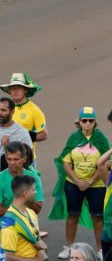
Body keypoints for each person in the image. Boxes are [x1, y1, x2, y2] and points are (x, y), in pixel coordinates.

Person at [52, 107, 108, 259]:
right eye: (85, 120)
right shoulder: (74, 138)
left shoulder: (101, 139)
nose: (88, 123)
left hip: (96, 185)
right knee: (72, 215)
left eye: (91, 120)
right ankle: (69, 247)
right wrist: (77, 181)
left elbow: (104, 164)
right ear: (80, 122)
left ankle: (100, 249)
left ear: (95, 122)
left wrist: (90, 181)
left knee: (98, 217)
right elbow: (66, 162)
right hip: (73, 184)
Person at [0, 175, 47, 261]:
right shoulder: (10, 223)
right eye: (33, 190)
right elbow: (7, 256)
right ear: (25, 194)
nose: (36, 192)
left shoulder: (30, 212)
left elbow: (36, 237)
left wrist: (41, 244)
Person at [0, 73, 47, 161]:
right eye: (12, 88)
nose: (15, 91)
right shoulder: (3, 109)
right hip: (8, 158)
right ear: (9, 90)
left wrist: (26, 136)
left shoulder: (34, 110)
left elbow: (43, 135)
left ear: (25, 90)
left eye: (18, 88)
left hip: (26, 158)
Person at [0, 142, 44, 217]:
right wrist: (22, 209)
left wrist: (27, 197)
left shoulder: (34, 178)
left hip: (27, 227)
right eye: (9, 159)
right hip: (4, 227)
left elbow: (38, 210)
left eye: (16, 159)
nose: (12, 163)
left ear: (24, 159)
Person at [0, 98, 32, 176]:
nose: (0, 113)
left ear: (12, 111)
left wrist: (8, 146)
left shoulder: (22, 132)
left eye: (4, 110)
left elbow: (28, 158)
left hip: (13, 179)